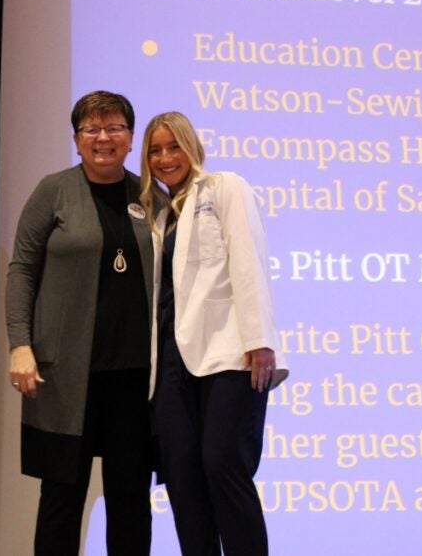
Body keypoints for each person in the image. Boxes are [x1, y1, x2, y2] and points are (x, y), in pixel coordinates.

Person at [6, 91, 162, 556]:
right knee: (61, 499)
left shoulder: (150, 196)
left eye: (114, 128)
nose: (103, 138)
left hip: (134, 380)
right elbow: (22, 270)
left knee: (131, 502)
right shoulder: (52, 191)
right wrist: (20, 343)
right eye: (92, 129)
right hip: (66, 376)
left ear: (130, 138)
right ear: (76, 139)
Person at [139, 111, 288, 556]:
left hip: (230, 354)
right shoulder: (157, 214)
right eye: (155, 150)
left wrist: (260, 340)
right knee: (183, 478)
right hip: (171, 367)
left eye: (174, 146)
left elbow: (248, 261)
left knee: (223, 465)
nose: (166, 158)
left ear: (192, 147)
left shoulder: (224, 187)